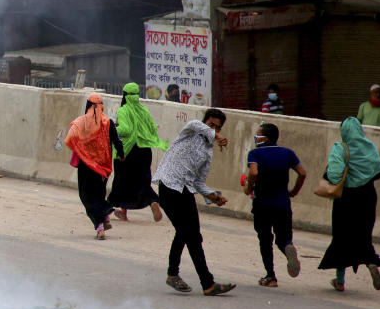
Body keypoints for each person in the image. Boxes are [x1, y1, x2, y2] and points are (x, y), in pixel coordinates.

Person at [152, 108, 236, 296]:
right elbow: (195, 124)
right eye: (211, 124)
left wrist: (214, 196)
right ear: (205, 122)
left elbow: (198, 182)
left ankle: (194, 280)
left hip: (186, 190)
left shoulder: (208, 152)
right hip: (169, 186)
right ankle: (201, 281)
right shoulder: (191, 130)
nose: (213, 128)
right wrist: (217, 135)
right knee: (186, 233)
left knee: (192, 236)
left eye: (218, 126)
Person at [318, 117, 380, 291]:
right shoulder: (369, 146)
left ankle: (340, 280)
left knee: (342, 236)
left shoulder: (340, 148)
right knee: (363, 233)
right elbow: (378, 170)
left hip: (346, 198)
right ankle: (370, 262)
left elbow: (334, 175)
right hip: (368, 196)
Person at [242, 123, 305, 287]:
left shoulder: (255, 153)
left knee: (265, 239)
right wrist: (294, 191)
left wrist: (248, 187)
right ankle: (288, 247)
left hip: (262, 204)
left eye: (258, 136)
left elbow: (254, 172)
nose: (256, 139)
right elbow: (302, 173)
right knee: (282, 239)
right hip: (283, 203)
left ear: (266, 138)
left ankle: (271, 277)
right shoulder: (288, 153)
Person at [65, 93, 124, 239]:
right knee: (99, 194)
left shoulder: (81, 122)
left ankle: (100, 226)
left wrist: (80, 147)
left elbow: (70, 137)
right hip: (103, 167)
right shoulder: (107, 122)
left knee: (87, 197)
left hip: (86, 166)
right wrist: (121, 155)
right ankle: (106, 215)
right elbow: (117, 141)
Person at [108, 83, 167, 222]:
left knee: (122, 181)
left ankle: (118, 210)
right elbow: (152, 128)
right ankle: (152, 201)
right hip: (145, 151)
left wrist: (113, 129)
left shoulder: (123, 110)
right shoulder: (144, 110)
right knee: (142, 180)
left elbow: (126, 130)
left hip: (128, 152)